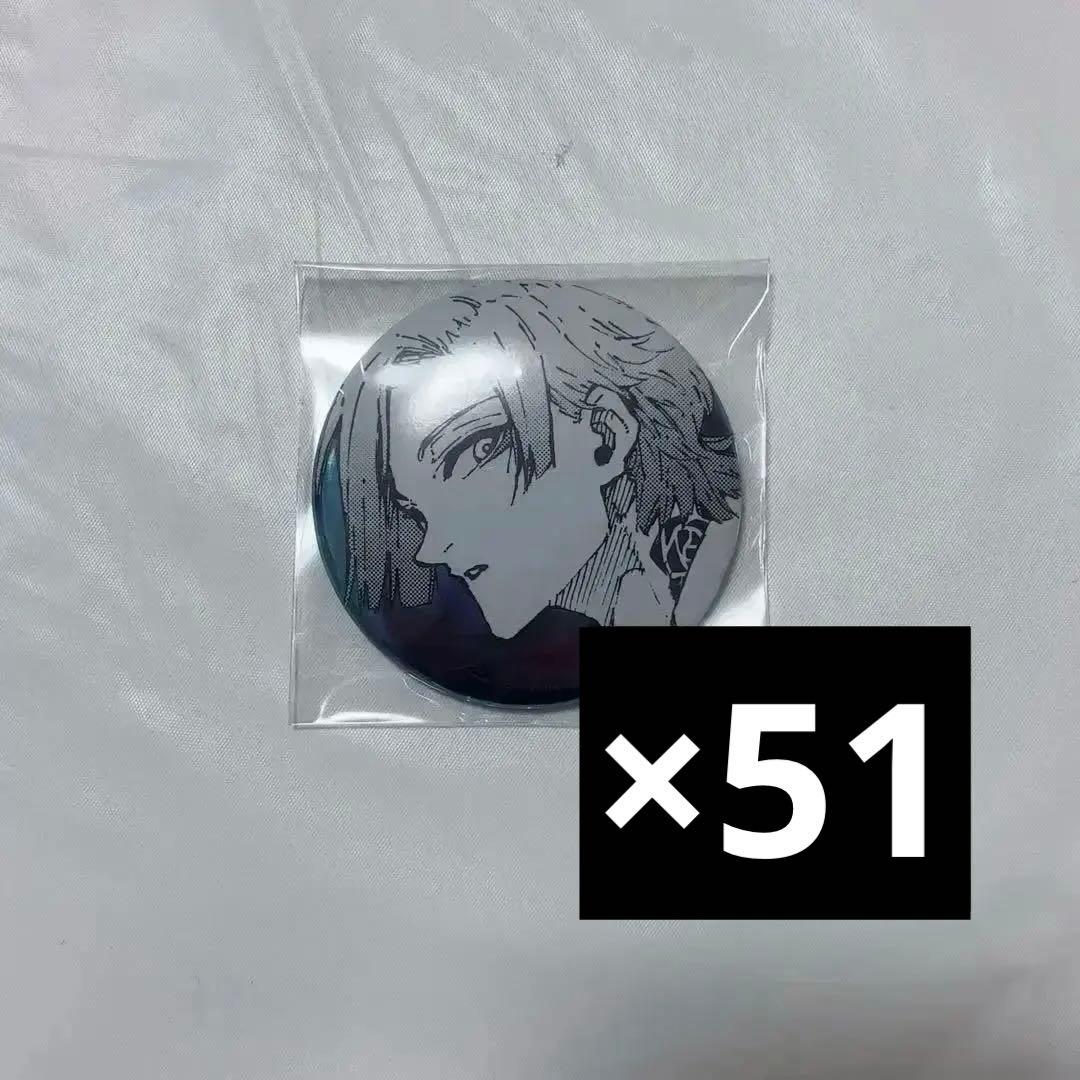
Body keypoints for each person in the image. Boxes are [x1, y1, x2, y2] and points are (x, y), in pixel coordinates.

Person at [313, 281, 740, 641]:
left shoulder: (705, 575)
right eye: (413, 507)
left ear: (604, 434)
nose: (430, 549)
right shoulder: (646, 599)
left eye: (476, 451)